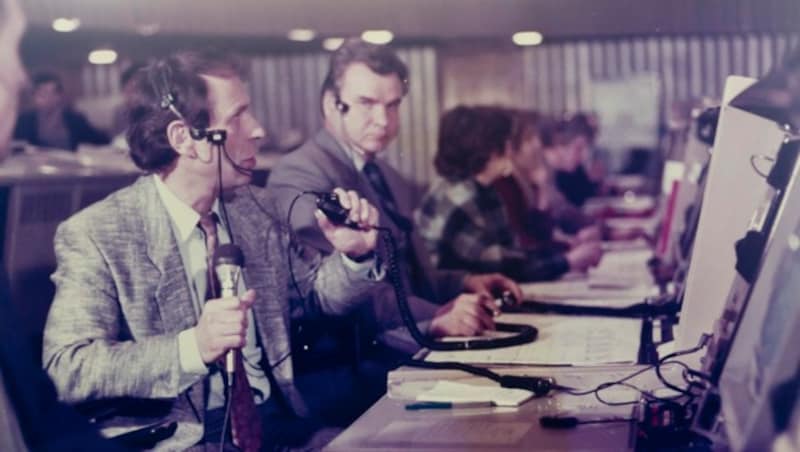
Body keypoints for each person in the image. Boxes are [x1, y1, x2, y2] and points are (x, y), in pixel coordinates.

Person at [42, 49, 385, 451]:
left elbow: (314, 294)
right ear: (185, 139)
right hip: (185, 439)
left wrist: (354, 256)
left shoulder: (258, 208)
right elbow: (70, 369)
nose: (257, 130)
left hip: (277, 424)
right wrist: (193, 348)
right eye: (238, 116)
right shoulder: (98, 233)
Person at [415, 106, 602, 282]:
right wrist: (567, 261)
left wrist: (564, 256)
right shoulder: (461, 197)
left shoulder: (485, 190)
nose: (511, 150)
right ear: (490, 149)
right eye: (507, 143)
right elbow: (502, 265)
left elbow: (514, 251)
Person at [13, 72, 111, 150]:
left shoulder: (74, 119)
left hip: (68, 170)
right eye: (43, 94)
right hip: (35, 171)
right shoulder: (24, 120)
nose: (48, 98)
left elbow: (100, 139)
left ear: (59, 95)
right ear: (34, 96)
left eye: (53, 93)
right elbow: (16, 145)